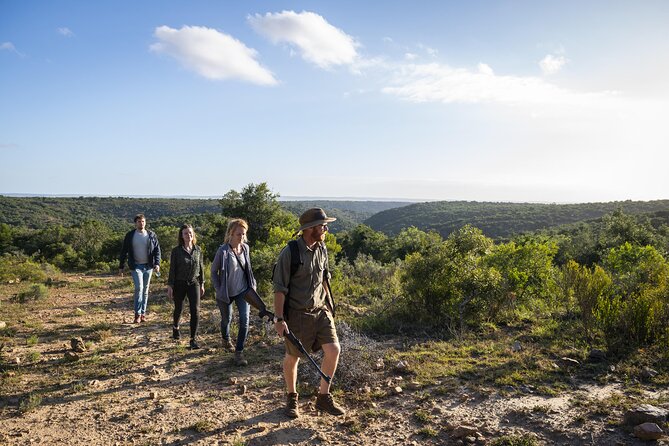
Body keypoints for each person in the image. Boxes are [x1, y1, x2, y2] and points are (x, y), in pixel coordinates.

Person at [273, 208, 345, 418]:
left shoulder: (322, 248)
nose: (326, 228)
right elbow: (280, 288)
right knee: (293, 357)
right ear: (309, 228)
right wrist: (279, 319)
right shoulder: (290, 253)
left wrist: (330, 305)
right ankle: (291, 397)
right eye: (322, 225)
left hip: (321, 310)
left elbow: (324, 279)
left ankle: (323, 397)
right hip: (297, 313)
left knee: (334, 350)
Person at [211, 218, 257, 366]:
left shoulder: (245, 249)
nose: (242, 237)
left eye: (244, 234)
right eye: (239, 234)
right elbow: (213, 271)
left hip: (243, 291)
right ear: (231, 233)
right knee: (227, 319)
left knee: (245, 320)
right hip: (226, 292)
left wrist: (252, 285)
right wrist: (218, 289)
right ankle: (225, 339)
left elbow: (248, 268)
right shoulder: (223, 251)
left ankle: (239, 352)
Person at [167, 224, 205, 349]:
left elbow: (201, 267)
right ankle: (176, 327)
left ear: (193, 234)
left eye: (190, 233)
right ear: (181, 236)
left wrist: (202, 283)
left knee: (195, 310)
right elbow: (172, 269)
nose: (188, 235)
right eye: (185, 233)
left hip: (194, 282)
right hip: (179, 283)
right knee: (179, 308)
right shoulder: (176, 251)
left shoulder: (198, 250)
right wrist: (170, 285)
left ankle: (193, 339)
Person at [119, 213, 161, 323]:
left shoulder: (151, 235)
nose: (141, 223)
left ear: (145, 222)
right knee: (139, 288)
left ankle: (143, 314)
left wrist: (157, 263)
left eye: (143, 221)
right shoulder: (130, 235)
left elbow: (157, 250)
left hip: (148, 266)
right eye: (139, 221)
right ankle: (137, 314)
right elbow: (124, 251)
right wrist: (121, 266)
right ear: (135, 223)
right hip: (136, 266)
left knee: (145, 290)